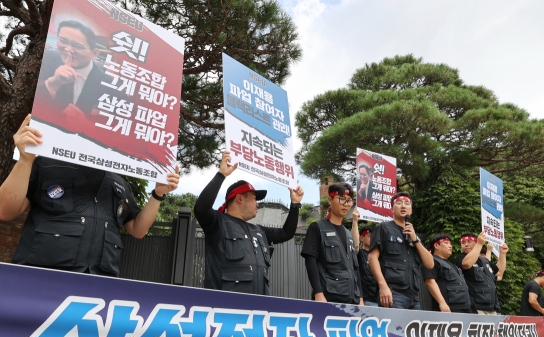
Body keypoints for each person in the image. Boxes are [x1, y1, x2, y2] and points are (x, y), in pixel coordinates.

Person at [0, 115, 180, 276]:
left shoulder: (120, 183)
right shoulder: (45, 164)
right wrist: (25, 159)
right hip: (39, 278)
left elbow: (138, 230)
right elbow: (5, 211)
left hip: (96, 287)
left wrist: (158, 195)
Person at [193, 151, 304, 295]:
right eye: (254, 199)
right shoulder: (218, 223)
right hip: (225, 308)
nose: (257, 204)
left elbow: (287, 233)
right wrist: (221, 175)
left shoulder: (259, 230)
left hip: (258, 308)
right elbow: (201, 209)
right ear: (239, 199)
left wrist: (295, 204)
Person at [368, 192, 434, 309]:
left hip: (414, 297)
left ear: (411, 210)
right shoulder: (383, 228)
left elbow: (430, 264)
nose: (403, 206)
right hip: (393, 293)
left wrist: (415, 240)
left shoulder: (413, 235)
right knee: (394, 327)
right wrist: (383, 286)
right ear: (392, 208)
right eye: (399, 203)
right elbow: (372, 257)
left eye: (407, 203)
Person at [301, 183, 363, 305]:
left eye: (349, 201)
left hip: (353, 300)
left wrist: (360, 297)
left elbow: (355, 268)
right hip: (330, 298)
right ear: (330, 199)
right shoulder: (317, 227)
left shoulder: (348, 234)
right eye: (341, 199)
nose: (346, 204)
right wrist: (318, 293)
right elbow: (310, 261)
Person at [37, 20, 109, 118]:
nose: (68, 49)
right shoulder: (45, 58)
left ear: (94, 53)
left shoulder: (106, 82)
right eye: (63, 41)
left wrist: (85, 125)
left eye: (77, 46)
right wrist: (53, 83)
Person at [455, 232, 508, 314]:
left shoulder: (484, 260)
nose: (466, 244)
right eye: (463, 243)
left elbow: (499, 272)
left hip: (493, 307)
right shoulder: (460, 258)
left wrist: (502, 254)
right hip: (475, 308)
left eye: (469, 242)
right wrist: (479, 244)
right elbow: (467, 264)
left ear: (475, 242)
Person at [423, 233, 472, 313]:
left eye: (450, 244)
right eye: (446, 243)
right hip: (448, 308)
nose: (450, 246)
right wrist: (442, 303)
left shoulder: (452, 264)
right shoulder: (431, 261)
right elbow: (430, 282)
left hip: (464, 307)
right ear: (436, 246)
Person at [356, 225, 379, 307]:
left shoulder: (380, 256)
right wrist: (355, 222)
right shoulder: (360, 254)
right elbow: (356, 246)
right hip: (367, 300)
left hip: (381, 299)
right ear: (361, 238)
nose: (373, 239)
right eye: (369, 236)